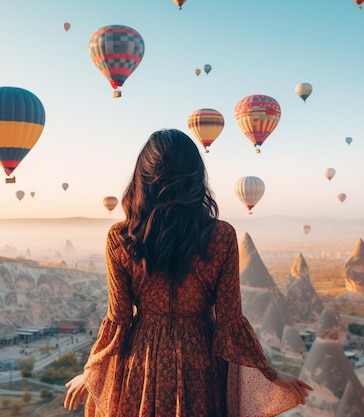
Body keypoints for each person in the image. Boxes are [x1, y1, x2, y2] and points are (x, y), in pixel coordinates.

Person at [64, 129, 312, 416]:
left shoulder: (120, 236)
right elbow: (230, 321)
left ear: (142, 176)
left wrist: (92, 370)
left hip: (142, 363)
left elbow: (119, 319)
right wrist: (269, 372)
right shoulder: (220, 236)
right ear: (196, 176)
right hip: (200, 364)